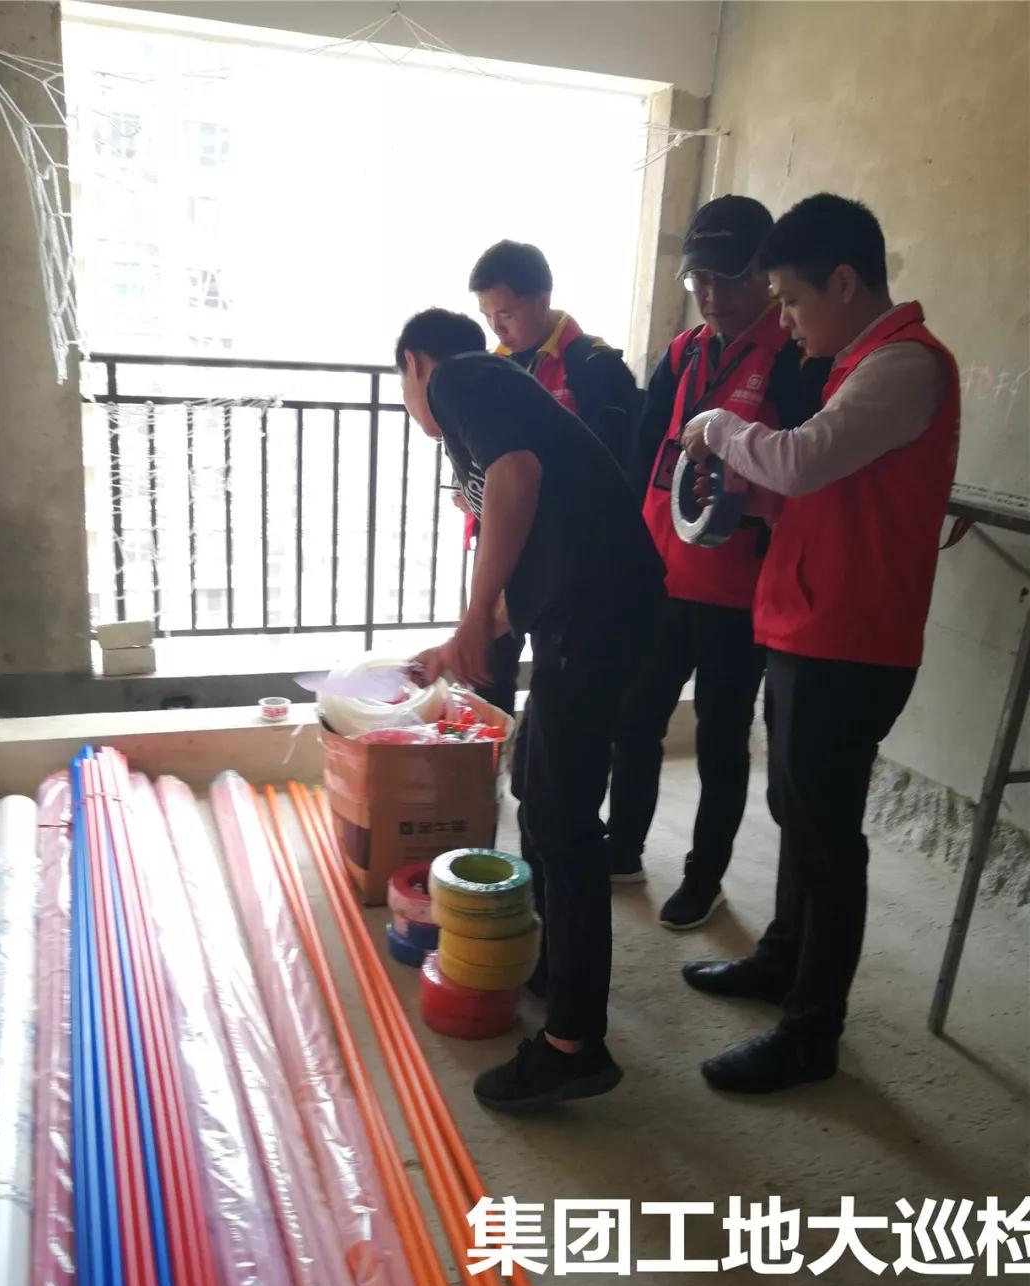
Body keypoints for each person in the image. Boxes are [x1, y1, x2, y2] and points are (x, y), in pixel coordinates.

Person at [678, 193, 960, 1093]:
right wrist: (748, 495)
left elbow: (802, 460)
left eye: (793, 300)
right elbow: (822, 488)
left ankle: (811, 1032)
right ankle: (781, 959)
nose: (788, 321)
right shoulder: (858, 363)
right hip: (810, 623)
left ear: (844, 282)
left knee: (827, 837)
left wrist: (720, 426)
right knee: (797, 813)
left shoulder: (904, 364)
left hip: (852, 639)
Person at [396, 308, 664, 1111]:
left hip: (599, 612)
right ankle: (558, 970)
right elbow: (541, 549)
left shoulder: (461, 377)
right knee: (539, 795)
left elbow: (517, 475)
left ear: (413, 365)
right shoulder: (497, 389)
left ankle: (573, 1043)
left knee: (561, 814)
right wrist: (463, 638)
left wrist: (475, 614)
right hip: (590, 606)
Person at [607, 196, 830, 930]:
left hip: (740, 593)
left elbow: (804, 473)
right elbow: (643, 457)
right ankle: (623, 844)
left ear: (765, 275)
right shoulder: (683, 353)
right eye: (699, 278)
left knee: (719, 741)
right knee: (636, 717)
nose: (711, 293)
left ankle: (704, 878)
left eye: (728, 277)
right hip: (662, 578)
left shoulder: (796, 358)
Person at [465, 239, 639, 717]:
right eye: (487, 316)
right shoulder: (495, 366)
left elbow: (610, 473)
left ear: (542, 299)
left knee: (555, 682)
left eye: (506, 313)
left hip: (565, 557)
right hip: (503, 544)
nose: (497, 328)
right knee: (487, 669)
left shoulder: (593, 367)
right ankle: (486, 759)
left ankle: (533, 761)